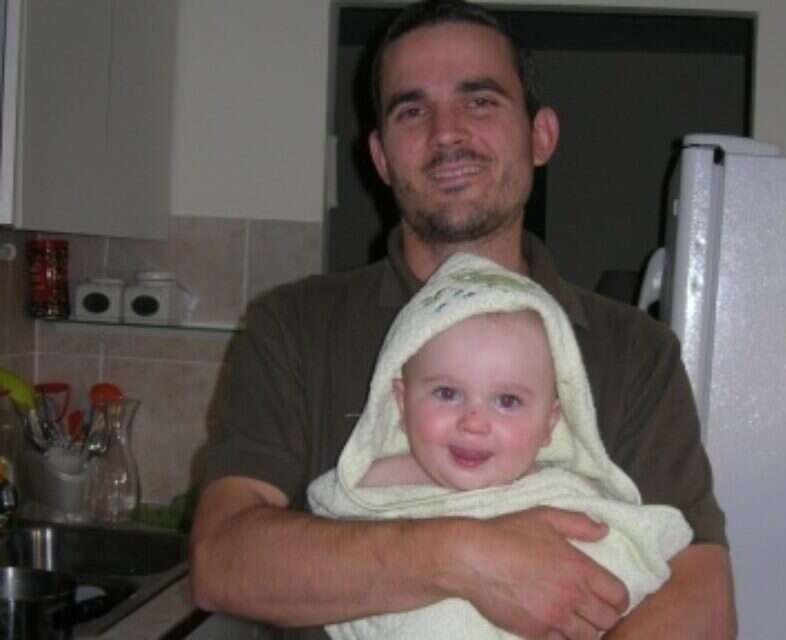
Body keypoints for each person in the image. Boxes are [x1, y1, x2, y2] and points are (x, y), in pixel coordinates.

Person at [190, 1, 737, 638]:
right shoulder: (293, 326)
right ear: (381, 157)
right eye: (412, 110)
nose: (446, 133)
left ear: (540, 136)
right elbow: (222, 560)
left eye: (479, 101)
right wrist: (467, 556)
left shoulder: (637, 352)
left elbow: (704, 601)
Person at [307, 252, 693, 639]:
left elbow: (633, 556)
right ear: (402, 402)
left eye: (507, 401)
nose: (474, 422)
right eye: (446, 393)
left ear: (549, 424)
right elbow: (331, 544)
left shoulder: (569, 498)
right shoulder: (371, 486)